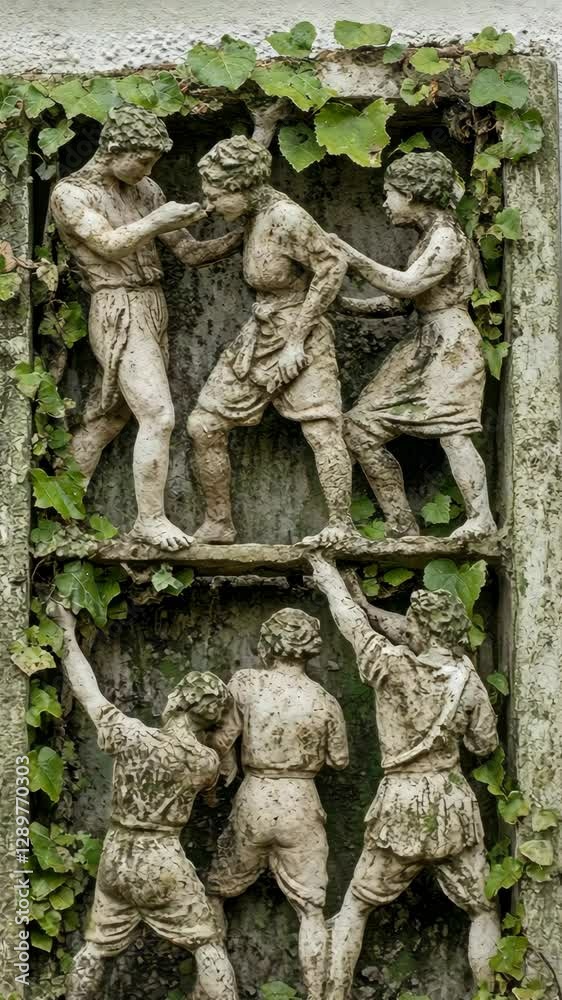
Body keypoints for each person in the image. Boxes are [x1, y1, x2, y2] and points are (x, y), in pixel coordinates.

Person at [308, 552, 501, 999]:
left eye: (410, 624)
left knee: (357, 906)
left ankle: (333, 995)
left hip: (401, 799)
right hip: (451, 800)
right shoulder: (468, 679)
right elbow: (484, 745)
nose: (404, 629)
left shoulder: (393, 665)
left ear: (422, 629)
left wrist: (327, 575)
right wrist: (371, 606)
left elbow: (352, 626)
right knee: (482, 910)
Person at [50, 104, 242, 551]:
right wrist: (158, 220)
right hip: (116, 304)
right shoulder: (71, 194)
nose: (149, 171)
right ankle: (149, 521)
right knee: (158, 415)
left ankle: (61, 514)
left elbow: (189, 253)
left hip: (153, 304)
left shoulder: (145, 189)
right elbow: (109, 245)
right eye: (143, 160)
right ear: (114, 149)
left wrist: (241, 235)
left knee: (110, 417)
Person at [51, 604, 238, 1000]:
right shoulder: (205, 761)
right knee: (207, 944)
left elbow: (87, 690)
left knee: (95, 948)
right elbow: (209, 781)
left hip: (117, 854)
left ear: (179, 700)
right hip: (161, 855)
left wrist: (66, 630)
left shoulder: (131, 736)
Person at [186, 134, 357, 546]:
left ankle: (341, 525)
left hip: (301, 331)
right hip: (260, 332)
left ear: (242, 187)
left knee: (321, 428)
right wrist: (162, 226)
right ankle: (219, 523)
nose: (210, 205)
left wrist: (297, 340)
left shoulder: (286, 217)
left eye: (215, 196)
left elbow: (332, 265)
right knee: (204, 424)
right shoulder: (252, 215)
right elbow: (198, 254)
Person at [334, 150, 497, 540]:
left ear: (411, 194)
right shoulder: (427, 239)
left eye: (389, 193)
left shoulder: (446, 236)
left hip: (452, 344)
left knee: (453, 432)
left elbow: (407, 285)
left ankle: (481, 518)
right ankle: (403, 525)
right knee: (358, 429)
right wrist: (340, 305)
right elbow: (398, 303)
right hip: (424, 343)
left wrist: (351, 255)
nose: (384, 202)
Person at [205, 607, 349, 1000]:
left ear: (269, 644)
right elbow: (339, 759)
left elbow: (221, 739)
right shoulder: (324, 700)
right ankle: (317, 994)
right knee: (311, 910)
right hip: (301, 801)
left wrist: (228, 765)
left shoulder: (248, 684)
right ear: (310, 648)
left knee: (216, 891)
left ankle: (212, 988)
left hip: (256, 795)